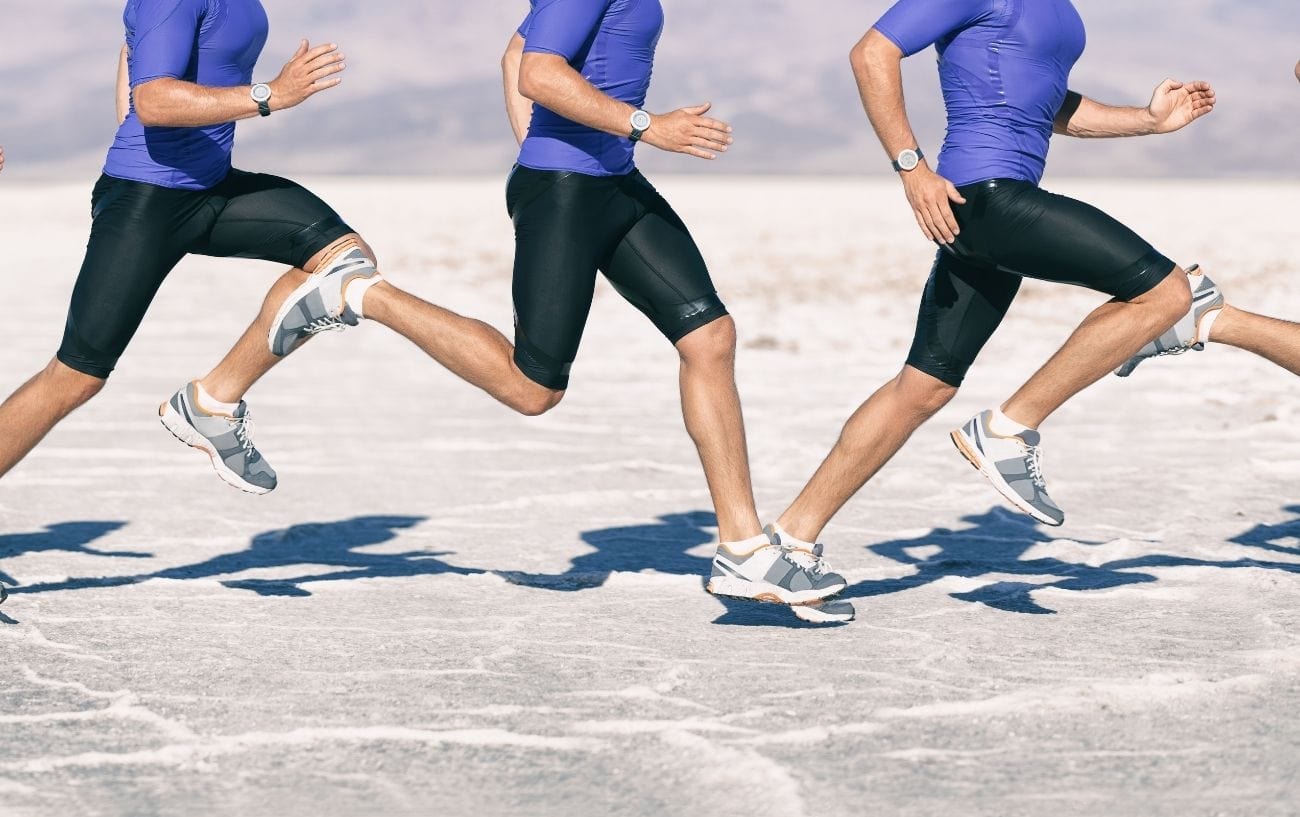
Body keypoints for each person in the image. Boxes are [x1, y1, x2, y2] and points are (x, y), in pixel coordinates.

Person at [761, 0, 1276, 558]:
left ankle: (787, 541)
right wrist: (912, 168)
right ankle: (1008, 430)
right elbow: (872, 52)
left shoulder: (1061, 10)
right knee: (1170, 293)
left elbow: (1045, 104)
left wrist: (1146, 120)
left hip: (982, 209)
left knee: (923, 386)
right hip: (987, 197)